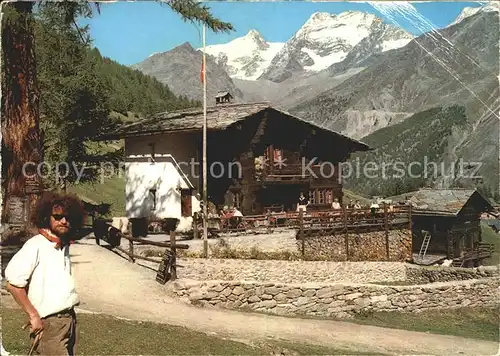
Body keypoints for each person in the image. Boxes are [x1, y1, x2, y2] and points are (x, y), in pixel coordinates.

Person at [5, 191, 85, 355]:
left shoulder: (62, 245)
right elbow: (13, 284)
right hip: (49, 323)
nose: (63, 221)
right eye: (57, 216)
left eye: (68, 217)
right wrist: (34, 316)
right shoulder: (36, 245)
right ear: (46, 217)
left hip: (69, 320)